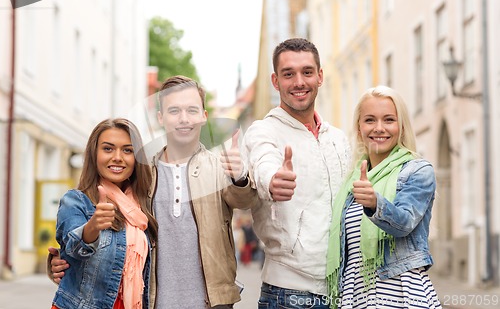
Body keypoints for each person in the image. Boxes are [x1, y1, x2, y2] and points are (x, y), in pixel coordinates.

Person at [50, 75, 257, 309]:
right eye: (174, 111)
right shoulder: (142, 173)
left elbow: (246, 199)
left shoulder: (221, 167)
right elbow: (104, 230)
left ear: (203, 116)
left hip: (212, 303)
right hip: (152, 302)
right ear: (161, 117)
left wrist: (239, 176)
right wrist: (62, 260)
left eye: (191, 110)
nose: (183, 119)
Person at [243, 38, 351, 308]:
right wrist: (272, 181)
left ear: (320, 76)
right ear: (275, 81)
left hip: (342, 291)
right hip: (289, 295)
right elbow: (263, 161)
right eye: (288, 74)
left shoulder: (338, 138)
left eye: (307, 72)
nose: (299, 82)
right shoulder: (264, 131)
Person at [326, 86, 442, 308]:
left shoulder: (417, 171)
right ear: (359, 128)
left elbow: (405, 222)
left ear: (401, 127)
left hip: (402, 295)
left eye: (389, 120)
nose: (379, 128)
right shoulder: (351, 183)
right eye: (370, 120)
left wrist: (375, 203)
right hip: (356, 296)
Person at [50, 118, 158, 309]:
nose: (118, 157)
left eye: (127, 150)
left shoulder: (145, 207)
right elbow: (73, 247)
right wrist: (93, 226)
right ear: (94, 154)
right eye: (108, 149)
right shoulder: (76, 201)